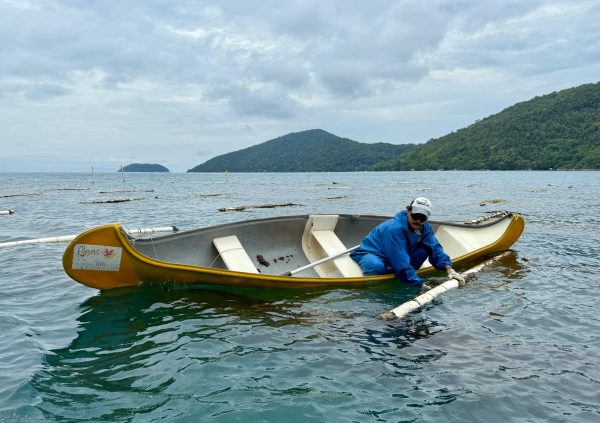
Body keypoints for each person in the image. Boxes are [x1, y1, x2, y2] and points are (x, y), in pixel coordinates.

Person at [350, 197, 465, 287]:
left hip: (399, 254)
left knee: (424, 249)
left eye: (423, 218)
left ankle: (405, 275)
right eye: (415, 216)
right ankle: (400, 277)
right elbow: (399, 258)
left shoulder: (425, 227)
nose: (418, 220)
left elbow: (435, 248)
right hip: (374, 252)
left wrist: (450, 269)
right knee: (376, 267)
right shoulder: (393, 228)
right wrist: (420, 284)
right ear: (408, 211)